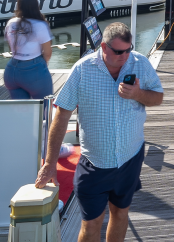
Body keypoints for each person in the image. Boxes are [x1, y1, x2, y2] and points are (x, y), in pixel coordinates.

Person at [35, 23, 163, 242]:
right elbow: (62, 115)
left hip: (130, 159)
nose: (125, 56)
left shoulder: (140, 63)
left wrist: (138, 94)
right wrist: (49, 163)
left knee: (120, 213)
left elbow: (157, 97)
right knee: (91, 224)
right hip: (95, 163)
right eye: (119, 52)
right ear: (103, 47)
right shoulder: (82, 69)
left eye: (128, 50)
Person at [4, 0, 54, 99]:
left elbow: (10, 45)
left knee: (20, 109)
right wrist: (41, 66)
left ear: (19, 6)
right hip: (34, 71)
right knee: (44, 106)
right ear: (36, 5)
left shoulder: (11, 23)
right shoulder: (40, 25)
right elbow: (47, 53)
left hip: (11, 70)